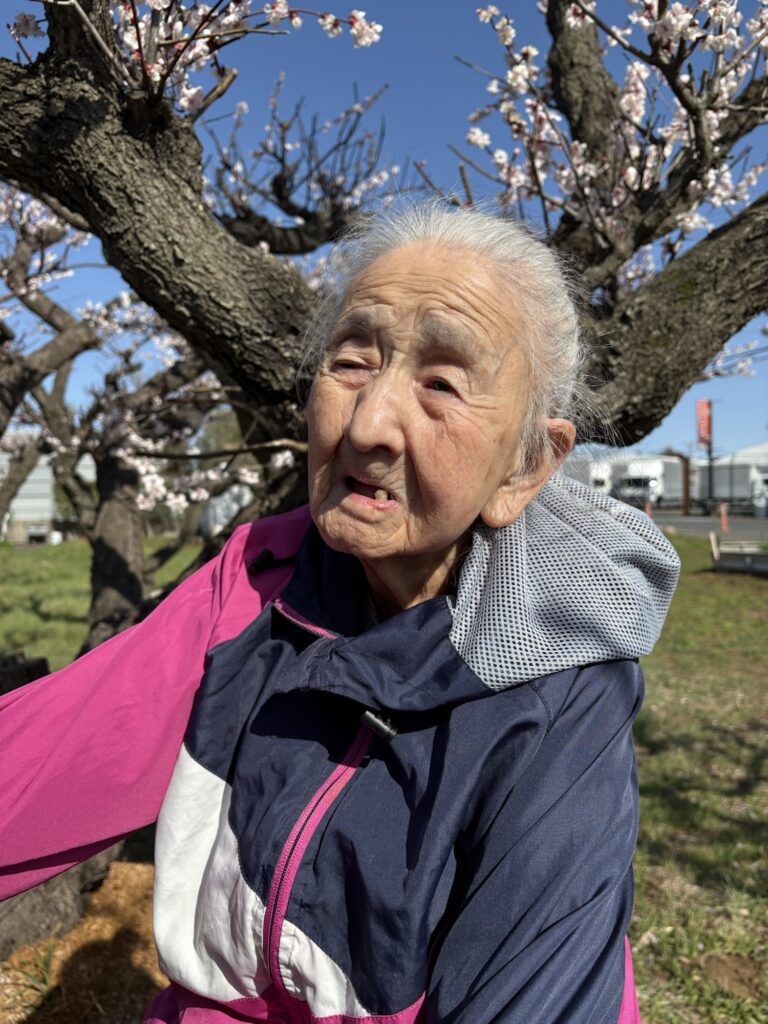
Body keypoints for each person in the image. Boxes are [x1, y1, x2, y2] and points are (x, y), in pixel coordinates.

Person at [0, 201, 680, 1023]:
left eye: (441, 384)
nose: (367, 424)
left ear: (527, 466)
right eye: (352, 362)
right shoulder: (258, 580)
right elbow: (42, 765)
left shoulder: (564, 692)